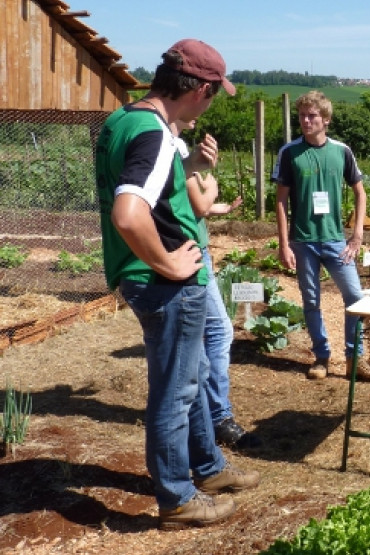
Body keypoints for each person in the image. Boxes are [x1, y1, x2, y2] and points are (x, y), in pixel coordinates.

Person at [96, 39, 260, 529]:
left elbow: (153, 185)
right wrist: (168, 263)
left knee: (189, 380)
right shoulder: (154, 134)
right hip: (164, 283)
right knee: (175, 392)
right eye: (214, 94)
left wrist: (191, 170)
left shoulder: (126, 118)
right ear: (201, 90)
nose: (211, 103)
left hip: (146, 277)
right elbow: (129, 214)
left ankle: (208, 468)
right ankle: (177, 498)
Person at [272, 91, 370, 381]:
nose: (306, 121)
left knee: (356, 297)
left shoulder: (342, 151)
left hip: (336, 240)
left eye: (312, 116)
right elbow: (281, 201)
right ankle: (321, 356)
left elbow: (360, 193)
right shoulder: (289, 153)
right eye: (302, 116)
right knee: (311, 301)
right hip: (303, 240)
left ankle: (354, 359)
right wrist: (284, 245)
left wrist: (357, 235)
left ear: (326, 120)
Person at [172, 119, 261, 450]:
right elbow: (198, 203)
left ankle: (208, 413)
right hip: (191, 252)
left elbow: (192, 205)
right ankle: (217, 416)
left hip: (193, 247)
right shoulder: (174, 147)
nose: (199, 112)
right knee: (218, 332)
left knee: (206, 336)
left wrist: (216, 205)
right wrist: (212, 190)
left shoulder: (171, 145)